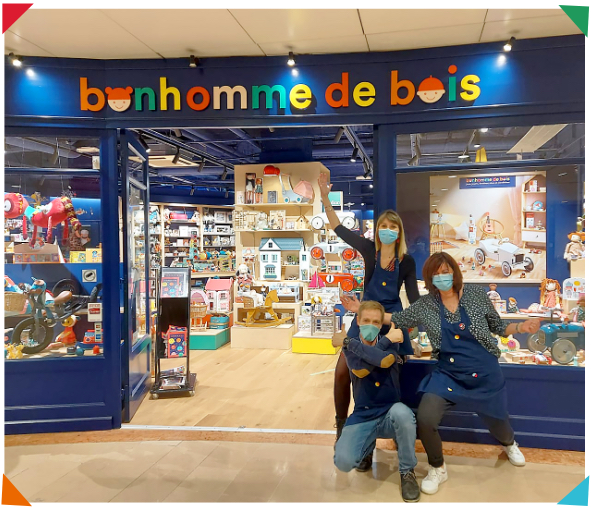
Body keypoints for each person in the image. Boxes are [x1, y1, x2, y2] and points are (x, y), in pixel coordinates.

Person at [347, 252, 541, 495]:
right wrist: (362, 309)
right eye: (435, 274)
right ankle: (437, 467)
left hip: (484, 371)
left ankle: (509, 443)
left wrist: (521, 326)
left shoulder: (476, 295)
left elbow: (498, 326)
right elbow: (397, 318)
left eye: (445, 272)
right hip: (448, 373)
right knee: (426, 418)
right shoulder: (427, 305)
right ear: (430, 279)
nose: (441, 277)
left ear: (454, 272)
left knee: (498, 420)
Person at [318, 173, 420, 472]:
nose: (387, 231)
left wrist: (410, 323)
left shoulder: (407, 262)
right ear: (377, 231)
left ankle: (379, 437)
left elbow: (415, 302)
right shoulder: (367, 250)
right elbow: (338, 228)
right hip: (363, 318)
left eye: (393, 227)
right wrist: (324, 196)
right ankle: (343, 428)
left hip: (390, 322)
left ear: (399, 233)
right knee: (344, 373)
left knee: (387, 377)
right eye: (383, 226)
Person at [332, 301, 420, 503]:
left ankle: (407, 471)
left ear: (381, 325)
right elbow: (361, 371)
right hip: (363, 414)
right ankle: (367, 446)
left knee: (404, 415)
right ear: (358, 321)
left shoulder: (390, 342)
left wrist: (348, 342)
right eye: (366, 321)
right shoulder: (358, 346)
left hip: (390, 412)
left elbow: (384, 360)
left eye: (375, 322)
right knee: (343, 462)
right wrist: (354, 344)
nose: (370, 326)